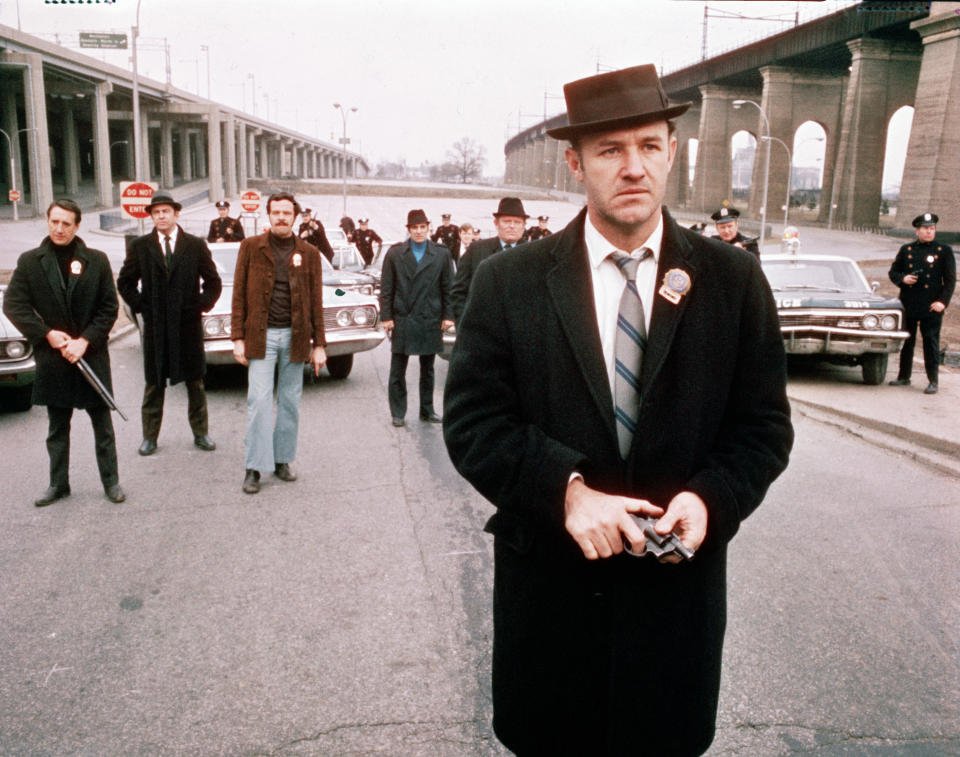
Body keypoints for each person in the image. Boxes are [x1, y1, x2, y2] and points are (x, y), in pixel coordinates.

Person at [442, 64, 793, 756]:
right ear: (575, 162)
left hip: (676, 614)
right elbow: (473, 423)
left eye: (650, 146)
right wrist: (566, 491)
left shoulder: (734, 281)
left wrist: (711, 499)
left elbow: (763, 427)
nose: (634, 167)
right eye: (610, 150)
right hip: (551, 610)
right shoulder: (507, 281)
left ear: (671, 151)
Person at [4, 199, 126, 505]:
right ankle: (58, 484)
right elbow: (13, 305)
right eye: (54, 222)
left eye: (66, 224)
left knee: (102, 426)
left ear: (77, 226)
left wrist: (83, 341)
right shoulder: (31, 261)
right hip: (54, 358)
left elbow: (109, 308)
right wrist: (48, 335)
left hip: (91, 355)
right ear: (47, 221)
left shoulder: (96, 260)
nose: (59, 229)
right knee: (57, 427)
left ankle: (111, 483)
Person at [231, 192, 326, 494]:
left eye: (287, 212)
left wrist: (319, 344)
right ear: (268, 215)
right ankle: (255, 467)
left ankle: (283, 459)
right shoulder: (250, 247)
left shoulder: (309, 253)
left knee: (289, 401)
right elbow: (238, 295)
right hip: (261, 336)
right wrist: (237, 338)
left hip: (296, 337)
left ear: (295, 217)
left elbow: (316, 301)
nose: (281, 217)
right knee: (258, 402)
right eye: (276, 212)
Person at [118, 193, 222, 456]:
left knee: (195, 382)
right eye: (156, 212)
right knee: (154, 382)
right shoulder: (141, 246)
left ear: (176, 214)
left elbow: (213, 282)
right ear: (151, 216)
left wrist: (200, 305)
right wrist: (142, 306)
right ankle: (149, 437)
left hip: (187, 326)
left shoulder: (195, 245)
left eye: (166, 211)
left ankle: (201, 433)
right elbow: (125, 282)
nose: (161, 216)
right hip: (156, 326)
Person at [379, 209, 454, 427]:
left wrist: (448, 315)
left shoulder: (441, 254)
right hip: (404, 317)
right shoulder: (395, 254)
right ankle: (398, 412)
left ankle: (427, 410)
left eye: (423, 227)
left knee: (428, 369)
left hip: (429, 317)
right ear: (408, 230)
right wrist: (387, 317)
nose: (419, 231)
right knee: (397, 368)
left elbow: (448, 287)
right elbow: (386, 288)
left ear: (428, 228)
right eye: (415, 228)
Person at [888, 212, 955, 394]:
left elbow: (950, 281)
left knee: (930, 342)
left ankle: (933, 381)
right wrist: (903, 278)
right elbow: (893, 272)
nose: (929, 232)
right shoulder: (907, 250)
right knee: (907, 342)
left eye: (932, 229)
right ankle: (904, 376)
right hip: (909, 303)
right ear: (917, 231)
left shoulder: (944, 251)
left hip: (931, 305)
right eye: (925, 229)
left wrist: (942, 302)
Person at [450, 197, 528, 322]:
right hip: (483, 332)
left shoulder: (534, 253)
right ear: (496, 224)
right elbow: (458, 293)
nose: (512, 226)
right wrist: (466, 327)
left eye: (517, 222)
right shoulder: (476, 250)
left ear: (524, 225)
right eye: (507, 221)